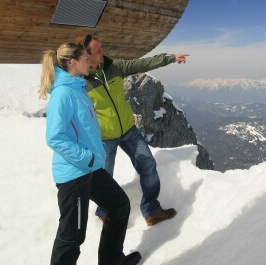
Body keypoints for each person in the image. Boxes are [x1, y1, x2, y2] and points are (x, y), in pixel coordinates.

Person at [40, 42, 141, 265]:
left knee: (119, 205)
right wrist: (88, 157)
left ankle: (112, 260)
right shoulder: (63, 94)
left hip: (91, 168)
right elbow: (55, 137)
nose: (91, 62)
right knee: (72, 236)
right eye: (87, 59)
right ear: (73, 63)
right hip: (75, 173)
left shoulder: (78, 88)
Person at [75, 34, 189, 227]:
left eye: (102, 47)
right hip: (104, 138)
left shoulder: (114, 67)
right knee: (104, 178)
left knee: (148, 166)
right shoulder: (80, 82)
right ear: (86, 55)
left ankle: (151, 210)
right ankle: (104, 211)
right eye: (98, 50)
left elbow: (142, 64)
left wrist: (169, 58)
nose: (104, 52)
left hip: (128, 130)